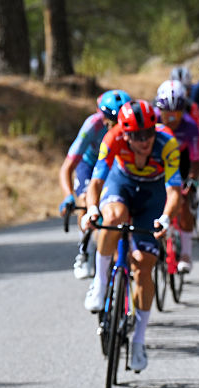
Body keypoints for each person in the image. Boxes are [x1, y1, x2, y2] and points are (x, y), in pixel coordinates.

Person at [80, 100, 182, 372]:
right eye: (136, 136)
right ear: (125, 134)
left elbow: (174, 191)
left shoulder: (167, 143)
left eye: (148, 133)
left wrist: (166, 218)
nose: (144, 140)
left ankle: (138, 340)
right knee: (112, 218)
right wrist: (92, 209)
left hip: (153, 194)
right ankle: (100, 284)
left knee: (144, 265)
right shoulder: (112, 138)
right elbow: (96, 182)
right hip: (121, 184)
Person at [57, 89, 131, 278]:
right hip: (89, 164)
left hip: (113, 165)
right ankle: (86, 250)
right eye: (110, 121)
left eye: (119, 121)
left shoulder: (130, 127)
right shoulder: (93, 125)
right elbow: (66, 168)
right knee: (85, 199)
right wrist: (68, 196)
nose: (115, 126)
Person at [154, 80, 199, 273]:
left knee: (183, 203)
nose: (172, 118)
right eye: (167, 113)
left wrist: (192, 180)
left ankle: (186, 254)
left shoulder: (190, 126)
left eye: (177, 113)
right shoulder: (152, 120)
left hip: (181, 161)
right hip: (157, 161)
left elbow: (196, 159)